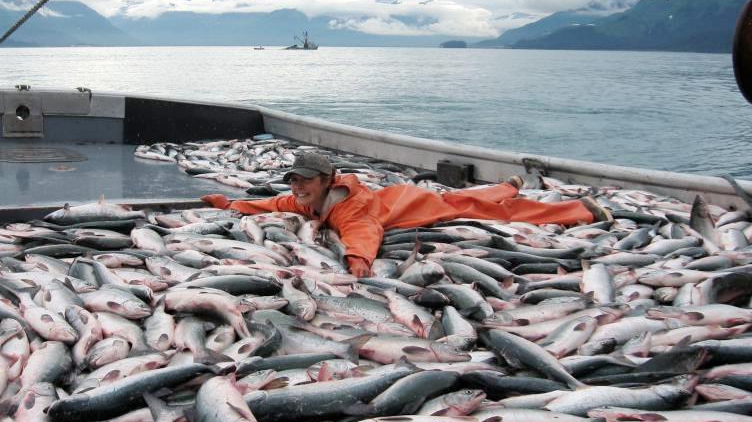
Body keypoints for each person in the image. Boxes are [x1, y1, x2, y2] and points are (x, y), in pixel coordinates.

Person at [201, 153, 611, 278]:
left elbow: (362, 233)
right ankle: (509, 184)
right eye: (294, 181)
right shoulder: (306, 199)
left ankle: (580, 210)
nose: (297, 188)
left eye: (305, 182)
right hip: (399, 196)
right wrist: (229, 205)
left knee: (490, 212)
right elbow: (271, 204)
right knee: (473, 197)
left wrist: (357, 264)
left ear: (327, 180)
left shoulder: (350, 209)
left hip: (417, 205)